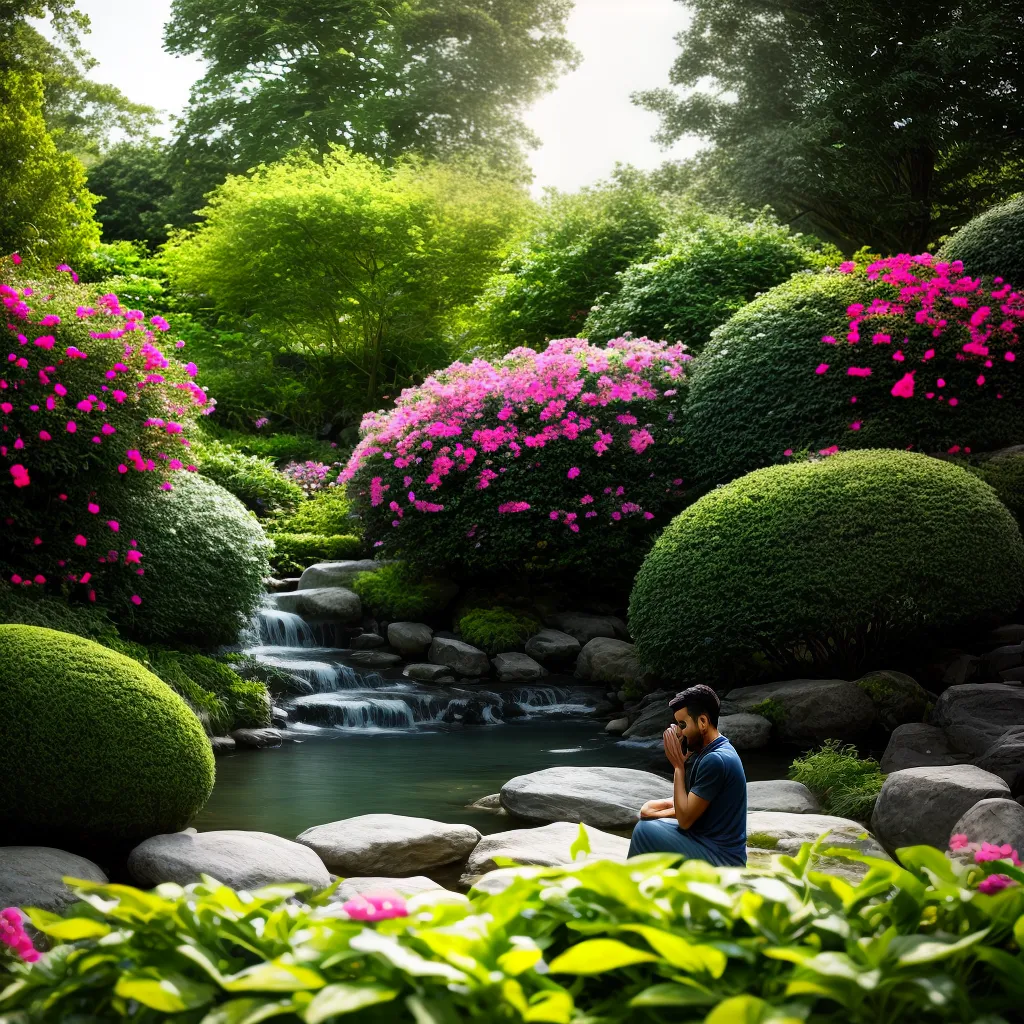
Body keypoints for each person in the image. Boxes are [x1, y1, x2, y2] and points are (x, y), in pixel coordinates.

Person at [627, 684, 747, 866]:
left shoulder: (715, 760)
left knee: (645, 831)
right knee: (650, 824)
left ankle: (631, 890)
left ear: (703, 722)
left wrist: (678, 767)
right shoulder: (708, 752)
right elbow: (691, 803)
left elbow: (684, 821)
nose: (678, 732)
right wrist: (654, 810)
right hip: (704, 840)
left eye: (682, 725)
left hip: (722, 858)